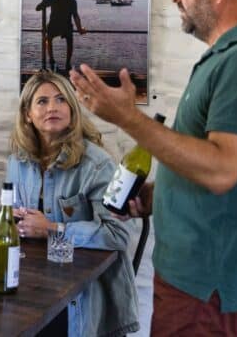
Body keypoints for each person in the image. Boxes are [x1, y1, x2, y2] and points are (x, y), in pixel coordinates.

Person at [70, 0, 237, 336]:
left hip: (203, 282)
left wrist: (126, 118)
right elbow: (214, 161)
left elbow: (224, 168)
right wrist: (161, 193)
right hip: (191, 278)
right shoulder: (228, 56)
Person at [9, 71, 139, 337]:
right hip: (34, 282)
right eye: (42, 101)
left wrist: (53, 228)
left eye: (61, 100)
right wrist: (16, 220)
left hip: (84, 294)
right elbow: (18, 224)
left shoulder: (98, 163)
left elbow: (119, 234)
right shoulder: (17, 161)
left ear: (72, 109)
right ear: (27, 114)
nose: (53, 107)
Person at [35, 0, 87, 74]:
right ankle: (67, 64)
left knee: (48, 38)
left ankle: (52, 61)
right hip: (66, 27)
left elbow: (38, 8)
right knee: (69, 40)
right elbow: (75, 16)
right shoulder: (71, 0)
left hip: (53, 27)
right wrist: (80, 29)